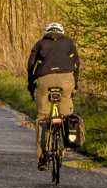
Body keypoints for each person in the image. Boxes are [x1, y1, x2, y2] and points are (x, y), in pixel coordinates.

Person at [27, 22, 80, 171]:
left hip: (44, 79)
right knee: (67, 114)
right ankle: (69, 141)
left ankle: (42, 157)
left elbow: (31, 66)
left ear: (46, 33)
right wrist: (75, 85)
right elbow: (76, 63)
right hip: (66, 79)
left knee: (43, 117)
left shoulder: (40, 44)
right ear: (62, 32)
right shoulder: (69, 42)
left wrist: (31, 87)